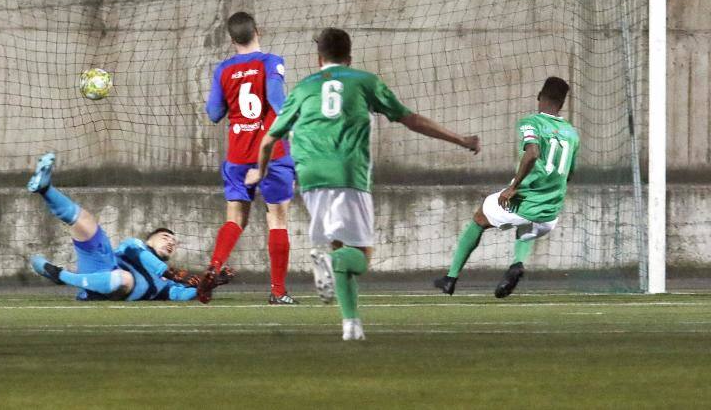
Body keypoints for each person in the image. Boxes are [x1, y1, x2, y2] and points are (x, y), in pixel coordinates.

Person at [245, 28, 480, 340]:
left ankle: (351, 325)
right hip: (348, 174)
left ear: (319, 59)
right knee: (361, 257)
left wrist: (260, 173)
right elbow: (410, 119)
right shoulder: (365, 81)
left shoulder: (303, 88)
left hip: (311, 177)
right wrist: (460, 139)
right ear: (350, 57)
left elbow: (269, 140)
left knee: (341, 247)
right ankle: (328, 262)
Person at [433, 77, 579, 298]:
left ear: (540, 95)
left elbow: (532, 153)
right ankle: (517, 265)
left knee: (480, 218)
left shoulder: (531, 122)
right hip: (551, 213)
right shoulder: (572, 133)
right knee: (527, 227)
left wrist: (515, 187)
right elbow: (569, 174)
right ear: (562, 103)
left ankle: (450, 278)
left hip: (526, 202)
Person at [27, 153, 225, 302]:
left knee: (124, 279)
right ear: (150, 239)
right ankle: (45, 189)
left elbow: (181, 295)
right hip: (101, 266)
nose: (171, 242)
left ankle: (61, 275)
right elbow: (149, 260)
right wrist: (170, 272)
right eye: (165, 236)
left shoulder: (169, 283)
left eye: (174, 242)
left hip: (113, 285)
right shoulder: (134, 247)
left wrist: (210, 284)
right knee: (87, 222)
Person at [204, 12, 297, 305]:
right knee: (277, 220)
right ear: (258, 30)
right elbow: (276, 99)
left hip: (237, 153)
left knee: (235, 218)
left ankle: (213, 267)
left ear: (231, 39)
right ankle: (278, 292)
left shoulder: (223, 69)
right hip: (272, 154)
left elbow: (213, 113)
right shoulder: (271, 61)